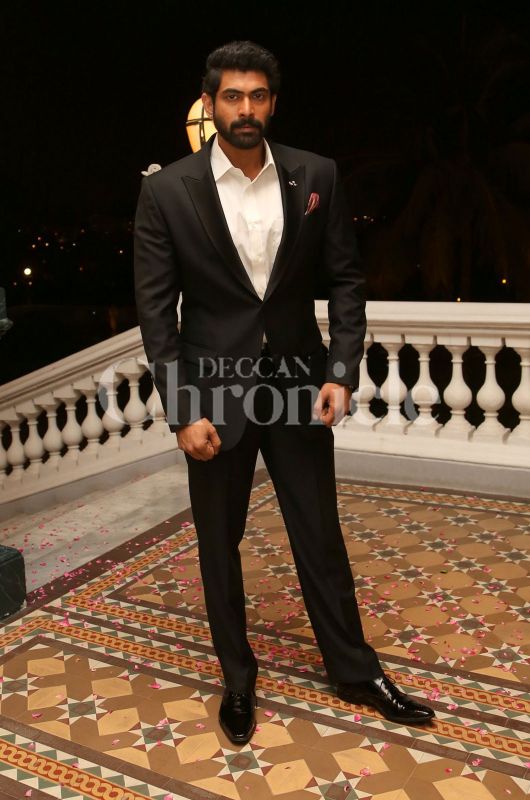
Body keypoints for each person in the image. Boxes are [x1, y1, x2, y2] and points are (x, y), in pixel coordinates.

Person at [133, 40, 435, 745]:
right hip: (214, 393)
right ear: (211, 104)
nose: (246, 109)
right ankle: (238, 681)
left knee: (320, 536)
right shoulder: (167, 190)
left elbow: (346, 280)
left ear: (273, 102)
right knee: (220, 543)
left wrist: (340, 371)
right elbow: (157, 314)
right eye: (232, 96)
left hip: (298, 385)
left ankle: (355, 671)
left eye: (258, 96)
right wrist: (183, 411)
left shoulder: (314, 174)